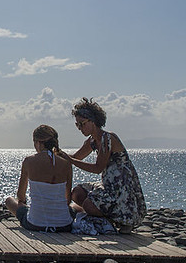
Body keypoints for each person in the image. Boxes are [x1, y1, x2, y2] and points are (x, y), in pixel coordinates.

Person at [62, 97, 147, 233]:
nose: (80, 128)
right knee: (77, 193)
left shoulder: (108, 138)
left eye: (82, 124)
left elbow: (97, 168)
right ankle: (104, 217)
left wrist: (71, 161)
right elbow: (76, 157)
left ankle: (120, 219)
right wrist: (57, 155)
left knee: (89, 205)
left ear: (93, 121)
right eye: (77, 125)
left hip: (120, 189)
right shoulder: (92, 141)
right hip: (107, 184)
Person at [5, 124, 73, 232]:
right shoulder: (66, 164)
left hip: (36, 223)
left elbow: (21, 196)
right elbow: (67, 199)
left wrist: (24, 203)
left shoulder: (29, 161)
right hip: (64, 224)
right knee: (76, 207)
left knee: (9, 200)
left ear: (38, 142)